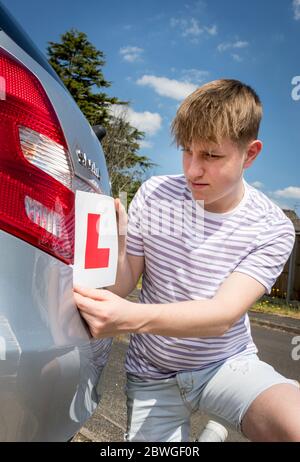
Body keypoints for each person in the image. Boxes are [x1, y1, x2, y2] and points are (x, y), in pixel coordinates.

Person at [74, 79, 300, 442]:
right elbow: (126, 280)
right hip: (152, 371)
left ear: (251, 153)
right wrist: (117, 243)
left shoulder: (272, 226)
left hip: (226, 363)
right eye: (186, 151)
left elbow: (221, 316)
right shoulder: (157, 194)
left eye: (211, 156)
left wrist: (129, 319)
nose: (193, 170)